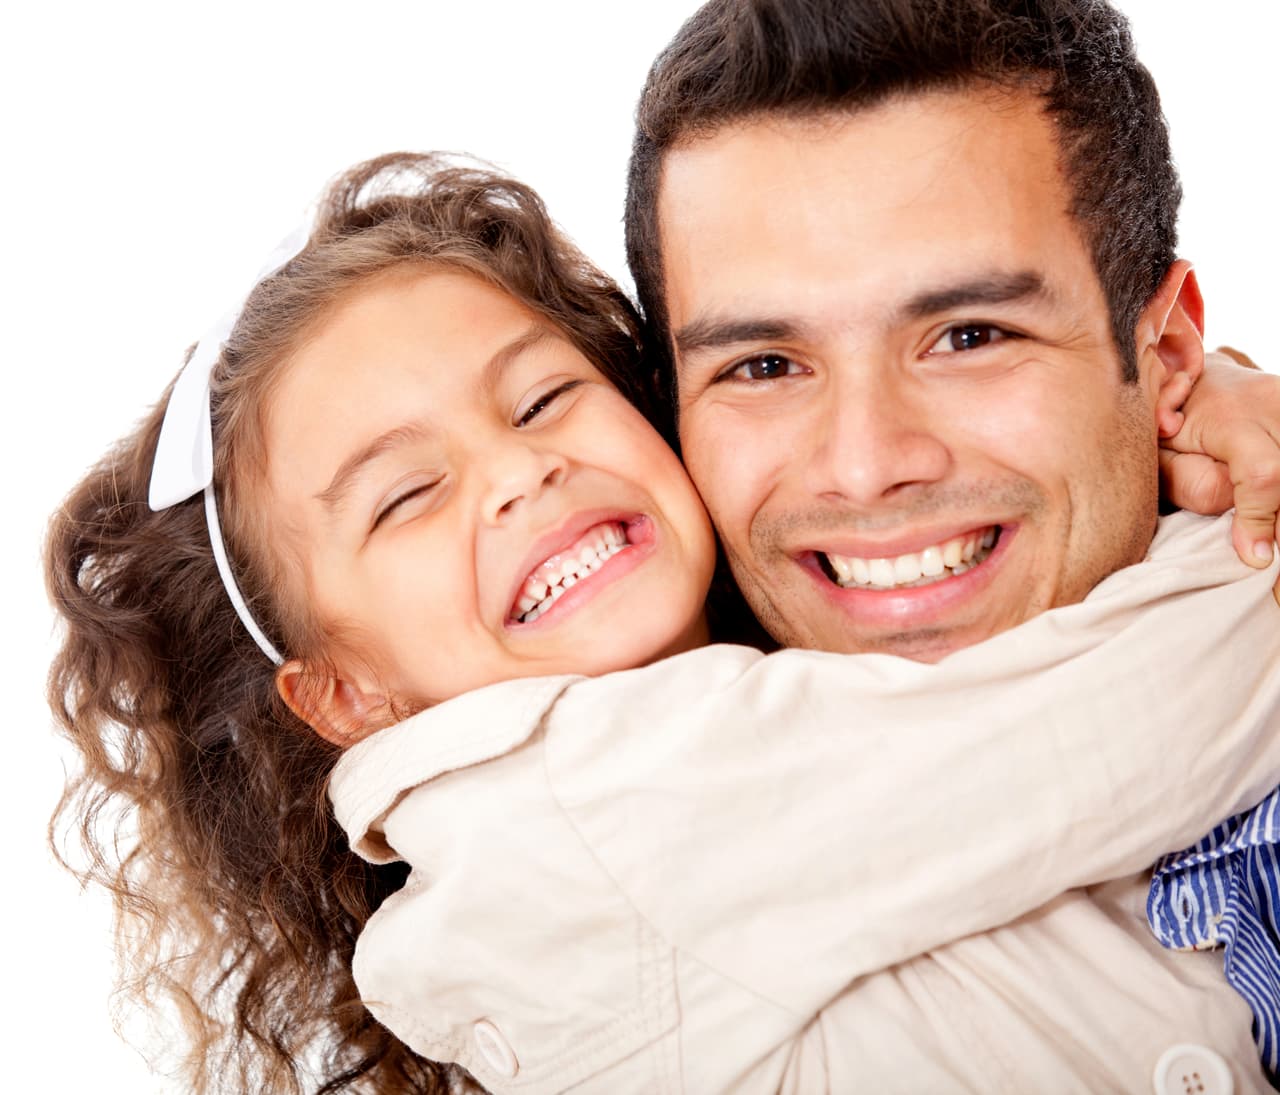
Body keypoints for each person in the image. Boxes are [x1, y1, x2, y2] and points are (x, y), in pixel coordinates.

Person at [45, 146, 1280, 1095]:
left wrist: (1189, 394)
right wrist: (1193, 437)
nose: (518, 473)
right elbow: (1132, 719)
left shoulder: (775, 688)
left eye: (541, 401)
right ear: (345, 695)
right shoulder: (574, 815)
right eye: (407, 495)